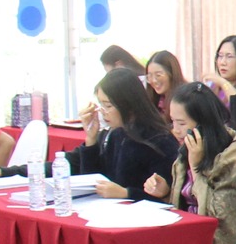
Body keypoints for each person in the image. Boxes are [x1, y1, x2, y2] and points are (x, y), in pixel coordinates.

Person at [144, 82, 236, 244]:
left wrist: (196, 168)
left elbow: (222, 218)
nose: (175, 130)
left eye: (182, 124)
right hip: (187, 236)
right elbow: (186, 204)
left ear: (203, 123)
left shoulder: (235, 155)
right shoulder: (187, 151)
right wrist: (166, 193)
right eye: (173, 122)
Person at [60, 68, 178, 198]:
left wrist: (126, 193)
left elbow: (166, 195)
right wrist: (91, 140)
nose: (103, 112)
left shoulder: (160, 140)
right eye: (101, 105)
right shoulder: (116, 134)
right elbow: (93, 183)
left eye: (108, 106)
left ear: (129, 105)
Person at [145, 50, 187, 115]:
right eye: (150, 76)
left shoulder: (185, 99)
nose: (154, 80)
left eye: (158, 75)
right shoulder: (156, 101)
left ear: (172, 74)